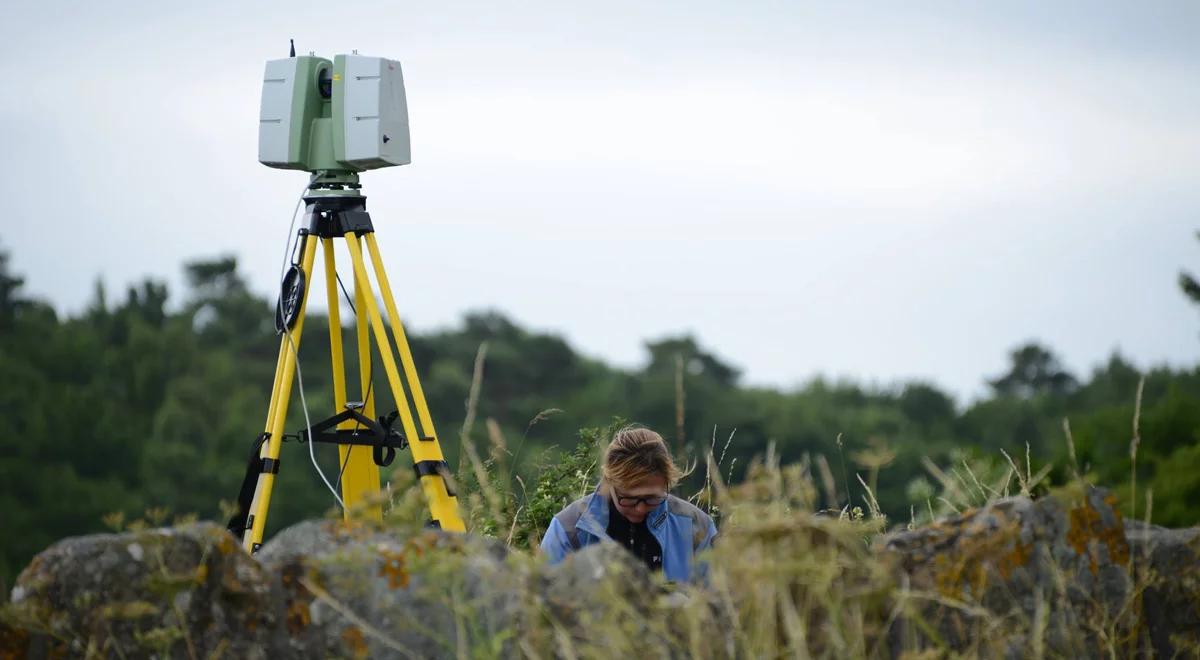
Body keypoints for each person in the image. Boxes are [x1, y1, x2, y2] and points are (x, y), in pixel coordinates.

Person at [540, 426, 717, 582]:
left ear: (666, 484)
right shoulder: (568, 530)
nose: (640, 509)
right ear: (609, 483)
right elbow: (544, 606)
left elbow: (718, 602)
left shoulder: (697, 527)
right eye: (629, 499)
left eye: (652, 498)